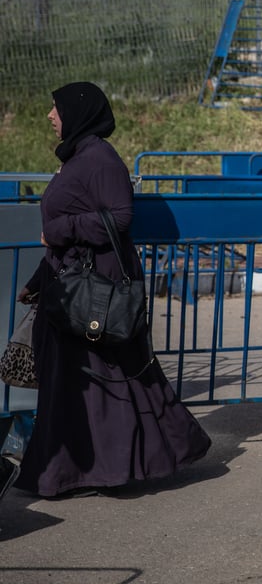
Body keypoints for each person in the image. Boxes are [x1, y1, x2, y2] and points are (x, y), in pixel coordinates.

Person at [14, 82, 211, 498]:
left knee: (105, 381)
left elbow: (119, 217)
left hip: (93, 290)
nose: (50, 116)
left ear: (78, 113)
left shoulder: (100, 160)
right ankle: (81, 471)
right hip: (68, 286)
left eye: (56, 108)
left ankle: (102, 470)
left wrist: (59, 230)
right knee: (81, 383)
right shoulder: (78, 158)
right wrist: (36, 281)